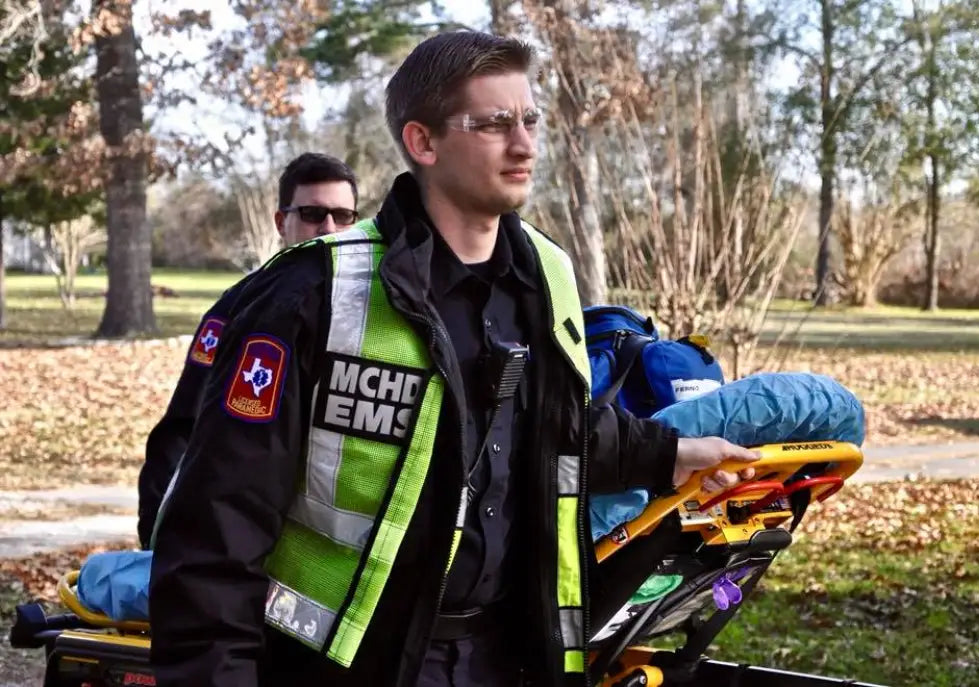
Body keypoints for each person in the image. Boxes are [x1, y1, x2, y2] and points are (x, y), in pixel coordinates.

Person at [148, 32, 756, 687]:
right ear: (423, 142)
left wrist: (668, 453)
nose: (524, 144)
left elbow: (548, 427)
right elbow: (214, 533)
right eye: (493, 123)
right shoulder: (312, 295)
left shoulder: (547, 276)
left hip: (507, 656)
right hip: (350, 667)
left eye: (529, 120)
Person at [137, 153, 359, 549]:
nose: (330, 228)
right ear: (281, 222)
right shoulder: (236, 310)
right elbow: (180, 433)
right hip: (245, 537)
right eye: (312, 213)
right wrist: (159, 540)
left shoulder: (377, 314)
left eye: (343, 216)